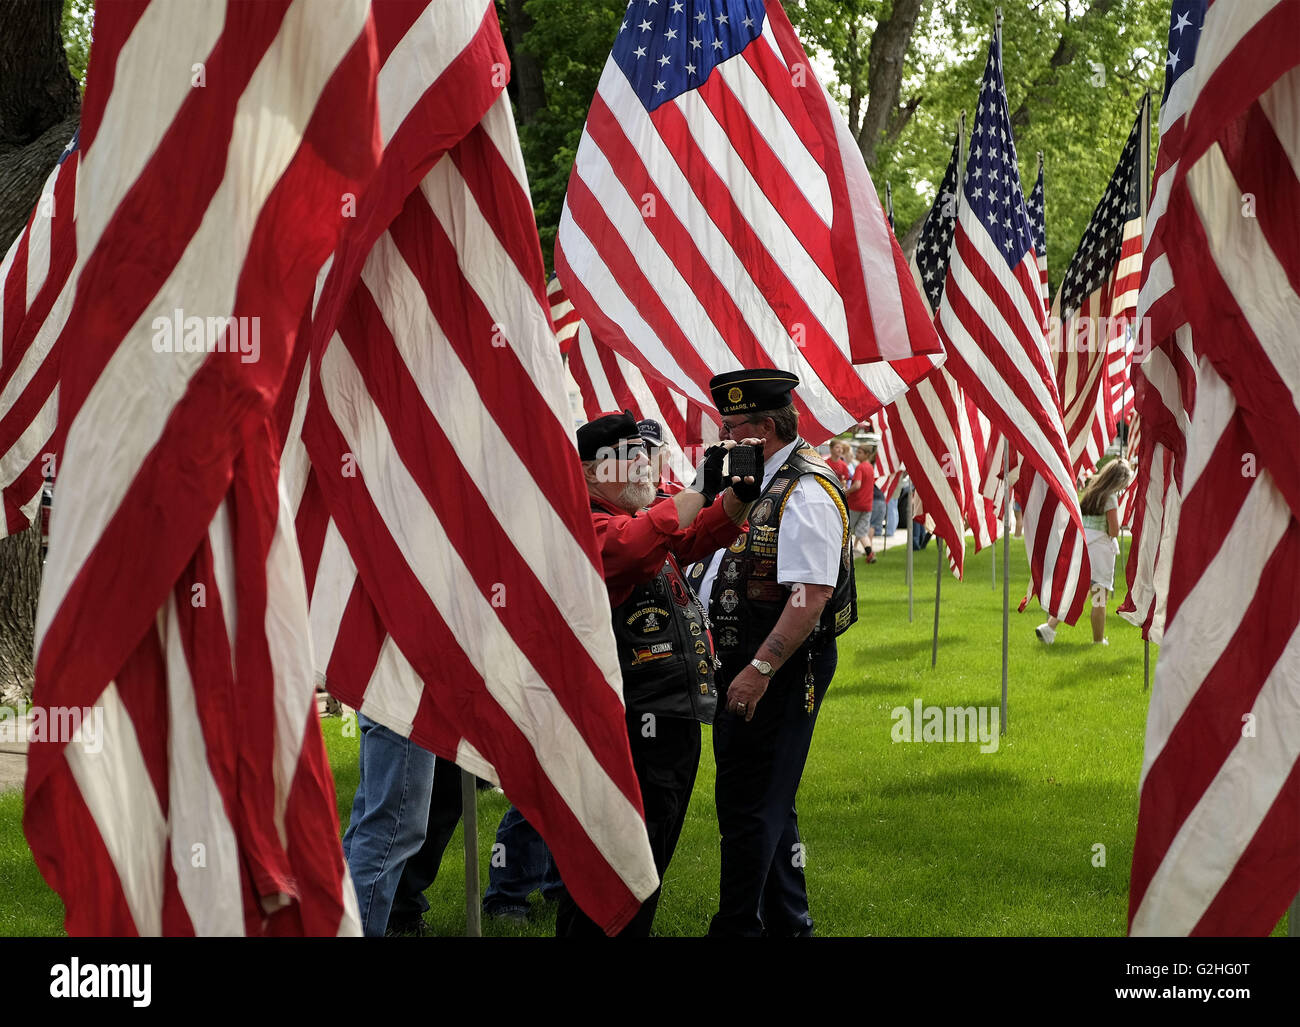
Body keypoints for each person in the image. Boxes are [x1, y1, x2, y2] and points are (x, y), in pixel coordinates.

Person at [553, 409, 759, 937]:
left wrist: (735, 496)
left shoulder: (634, 515)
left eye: (647, 456)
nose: (647, 467)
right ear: (594, 471)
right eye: (632, 459)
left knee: (650, 851)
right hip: (629, 722)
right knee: (624, 858)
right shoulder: (586, 523)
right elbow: (633, 546)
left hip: (668, 715)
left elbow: (689, 538)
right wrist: (694, 493)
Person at [687, 369, 857, 937]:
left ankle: (736, 926)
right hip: (740, 660)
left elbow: (811, 597)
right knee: (769, 800)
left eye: (732, 427)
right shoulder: (749, 480)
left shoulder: (805, 490)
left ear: (763, 429)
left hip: (776, 668)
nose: (723, 437)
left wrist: (759, 669)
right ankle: (790, 922)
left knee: (747, 804)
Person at [1036, 458, 1134, 646]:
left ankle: (1049, 627)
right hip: (1100, 554)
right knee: (1099, 598)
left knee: (1076, 592)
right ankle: (1098, 640)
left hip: (1083, 548)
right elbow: (1113, 530)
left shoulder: (1091, 493)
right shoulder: (1110, 498)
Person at [845, 443, 876, 563]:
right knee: (862, 531)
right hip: (867, 504)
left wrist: (846, 492)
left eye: (859, 452)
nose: (857, 454)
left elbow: (857, 485)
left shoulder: (861, 467)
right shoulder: (870, 467)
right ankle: (870, 554)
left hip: (856, 504)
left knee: (847, 530)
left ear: (867, 454)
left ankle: (845, 555)